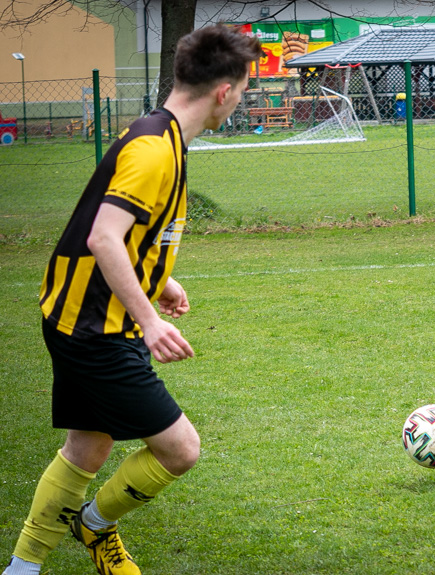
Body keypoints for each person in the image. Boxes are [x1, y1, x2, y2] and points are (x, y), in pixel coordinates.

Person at [3, 25, 260, 575]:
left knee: (87, 448)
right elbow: (102, 236)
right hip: (96, 330)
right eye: (242, 89)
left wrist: (157, 280)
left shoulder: (161, 136)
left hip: (82, 318)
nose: (240, 100)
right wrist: (148, 319)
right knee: (180, 449)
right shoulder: (153, 150)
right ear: (224, 91)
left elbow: (124, 233)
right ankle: (93, 524)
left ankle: (22, 568)